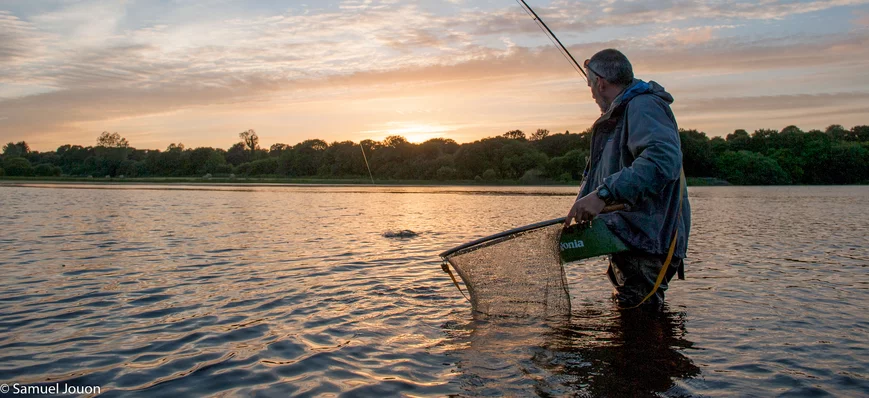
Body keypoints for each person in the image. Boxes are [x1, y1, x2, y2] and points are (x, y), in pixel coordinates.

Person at [563, 49, 691, 309]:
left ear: (600, 82)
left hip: (647, 241)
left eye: (590, 84)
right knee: (632, 325)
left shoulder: (643, 105)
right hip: (631, 238)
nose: (591, 92)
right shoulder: (621, 113)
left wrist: (603, 195)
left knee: (640, 322)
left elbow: (661, 160)